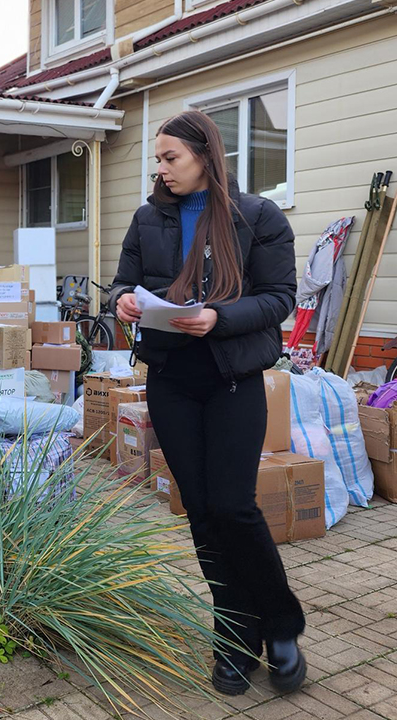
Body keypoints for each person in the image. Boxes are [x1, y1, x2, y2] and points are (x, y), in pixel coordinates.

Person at [110, 110, 306, 696]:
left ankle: (281, 625)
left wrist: (219, 317)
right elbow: (123, 281)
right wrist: (122, 301)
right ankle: (235, 638)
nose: (161, 169)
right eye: (158, 159)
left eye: (171, 157)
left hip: (233, 380)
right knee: (199, 511)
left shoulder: (258, 217)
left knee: (233, 507)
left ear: (204, 155)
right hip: (172, 380)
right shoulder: (149, 217)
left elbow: (280, 299)